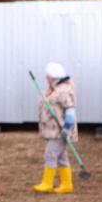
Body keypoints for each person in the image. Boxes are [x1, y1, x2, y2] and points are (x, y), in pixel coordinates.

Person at [32, 62, 77, 194]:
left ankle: (47, 183)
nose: (46, 78)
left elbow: (70, 110)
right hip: (54, 130)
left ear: (54, 76)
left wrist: (67, 127)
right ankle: (67, 184)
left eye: (48, 76)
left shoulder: (64, 90)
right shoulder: (55, 88)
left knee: (50, 153)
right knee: (62, 157)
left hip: (60, 130)